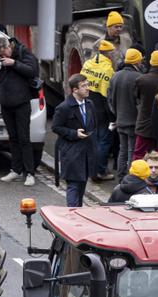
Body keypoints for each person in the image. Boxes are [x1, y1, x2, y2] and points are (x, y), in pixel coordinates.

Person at [0, 36, 40, 187]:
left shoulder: (23, 53)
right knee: (12, 138)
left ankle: (30, 173)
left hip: (21, 103)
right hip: (6, 103)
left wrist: (14, 63)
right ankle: (15, 169)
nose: (3, 57)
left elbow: (32, 71)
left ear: (9, 47)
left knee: (24, 138)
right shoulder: (1, 57)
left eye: (3, 53)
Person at [53, 74, 98, 207]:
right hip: (72, 152)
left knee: (82, 184)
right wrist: (74, 133)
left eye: (87, 85)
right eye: (83, 86)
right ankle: (72, 215)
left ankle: (78, 213)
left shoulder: (90, 104)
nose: (87, 88)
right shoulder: (64, 107)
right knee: (73, 185)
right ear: (75, 90)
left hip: (87, 152)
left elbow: (94, 124)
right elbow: (55, 127)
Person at [81, 40, 116, 181]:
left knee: (92, 139)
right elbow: (107, 96)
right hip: (101, 110)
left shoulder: (87, 64)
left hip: (87, 106)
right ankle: (100, 171)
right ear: (107, 53)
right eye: (112, 52)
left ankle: (91, 170)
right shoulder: (108, 69)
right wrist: (112, 117)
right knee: (104, 140)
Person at [108, 48, 144, 178]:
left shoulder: (115, 76)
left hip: (120, 120)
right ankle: (130, 177)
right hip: (134, 121)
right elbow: (140, 102)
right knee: (132, 150)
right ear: (137, 61)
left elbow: (110, 99)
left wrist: (117, 114)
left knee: (122, 149)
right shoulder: (139, 77)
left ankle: (121, 175)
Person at [132, 50, 158, 159]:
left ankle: (137, 174)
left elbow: (136, 97)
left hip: (144, 123)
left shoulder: (141, 80)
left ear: (151, 62)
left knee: (139, 153)